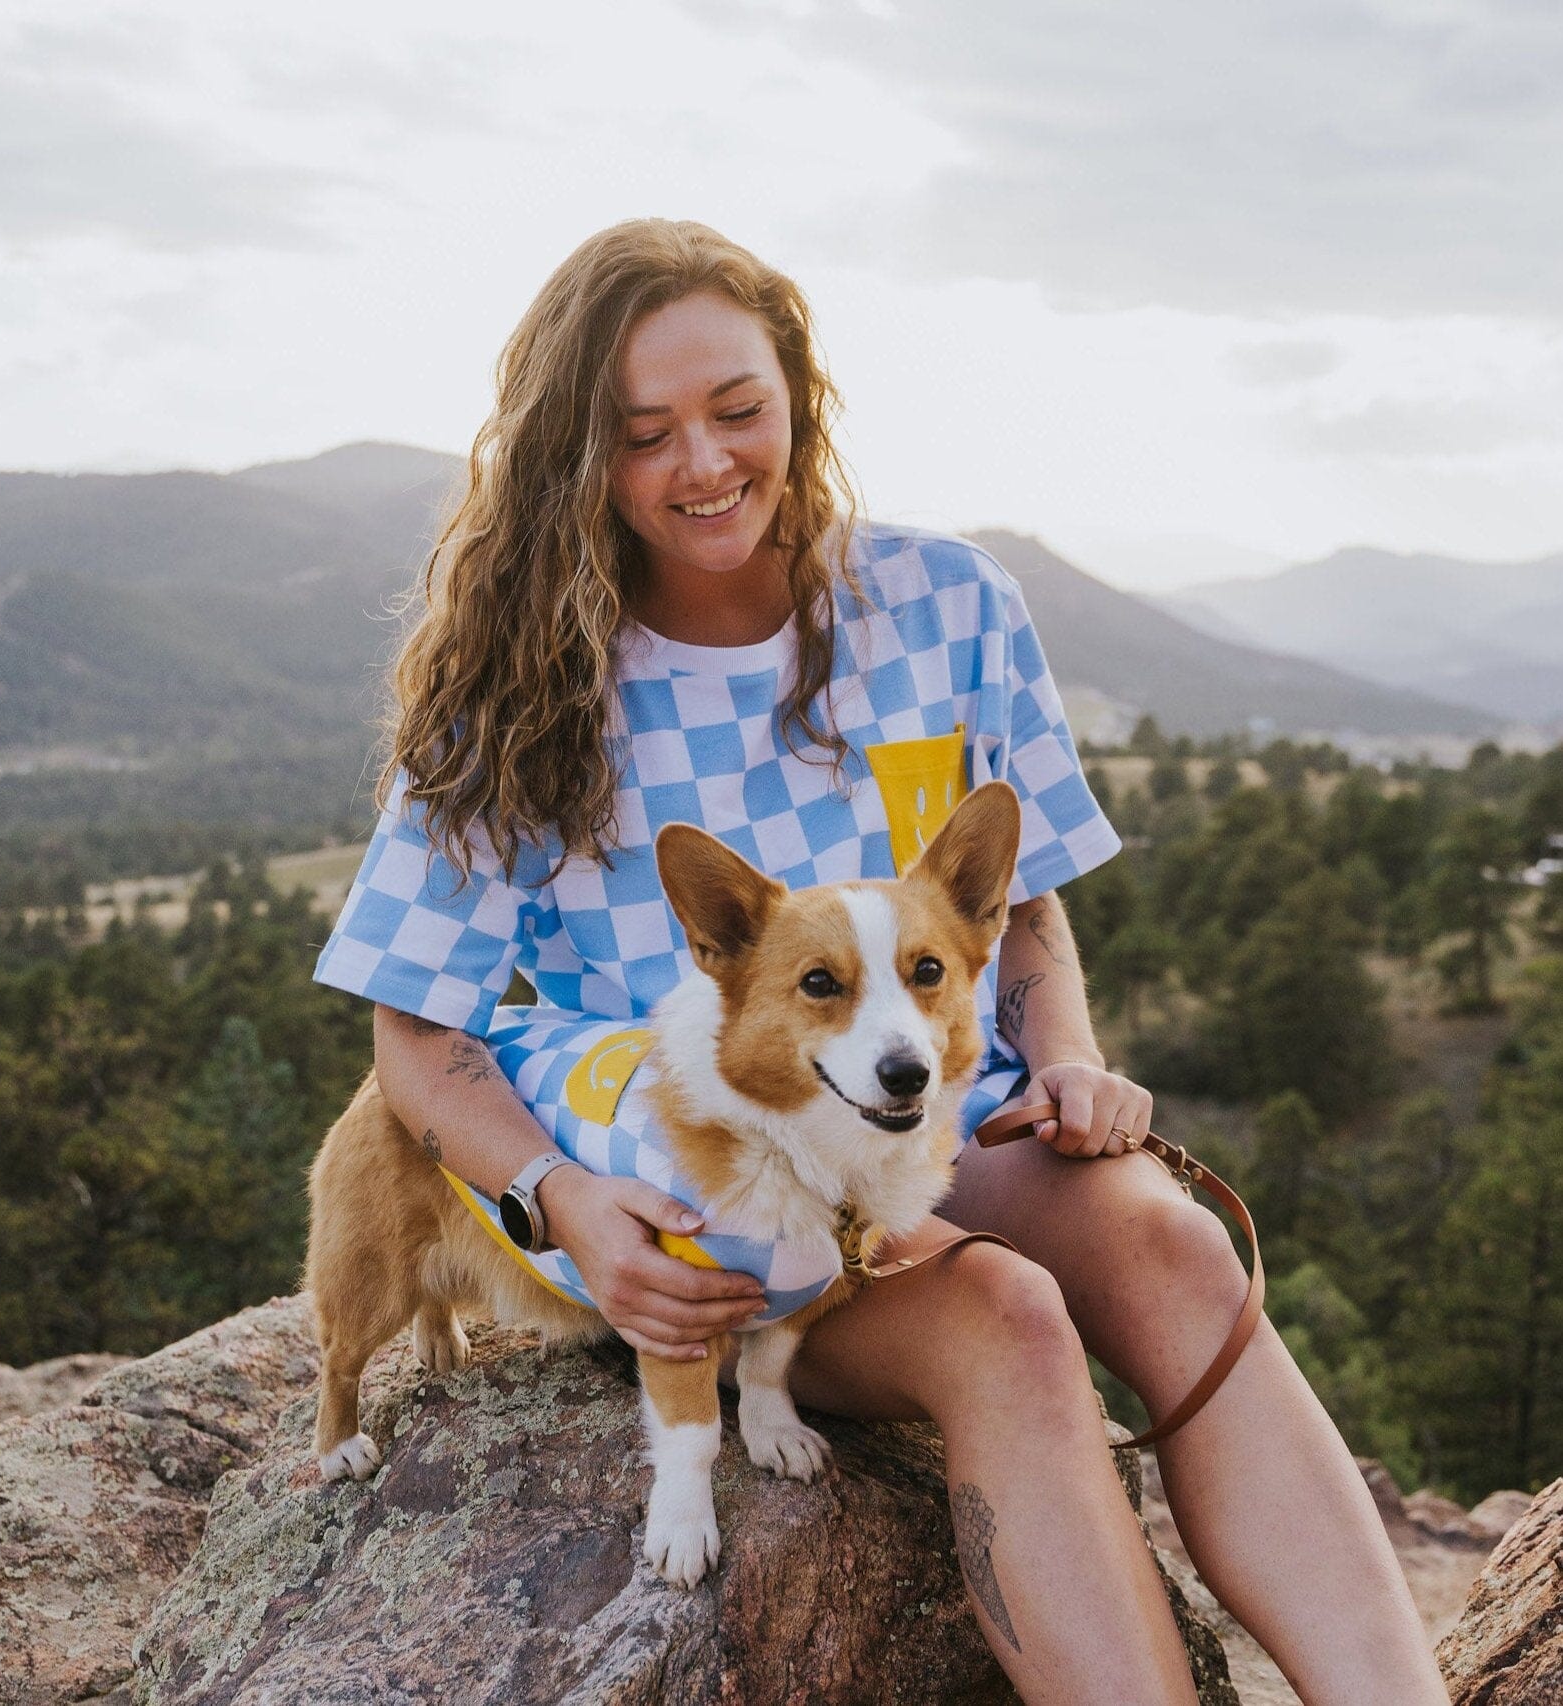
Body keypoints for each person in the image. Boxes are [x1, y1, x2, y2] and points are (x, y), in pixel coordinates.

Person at [313, 219, 1446, 1704]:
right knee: (1005, 1318)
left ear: (798, 389)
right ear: (573, 456)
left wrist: (1070, 1061)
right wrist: (567, 1201)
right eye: (643, 433)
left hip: (930, 1145)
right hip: (709, 1210)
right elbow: (419, 1040)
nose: (704, 463)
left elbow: (1017, 910)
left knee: (1170, 1242)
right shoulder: (511, 689)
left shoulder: (944, 604)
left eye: (736, 408)